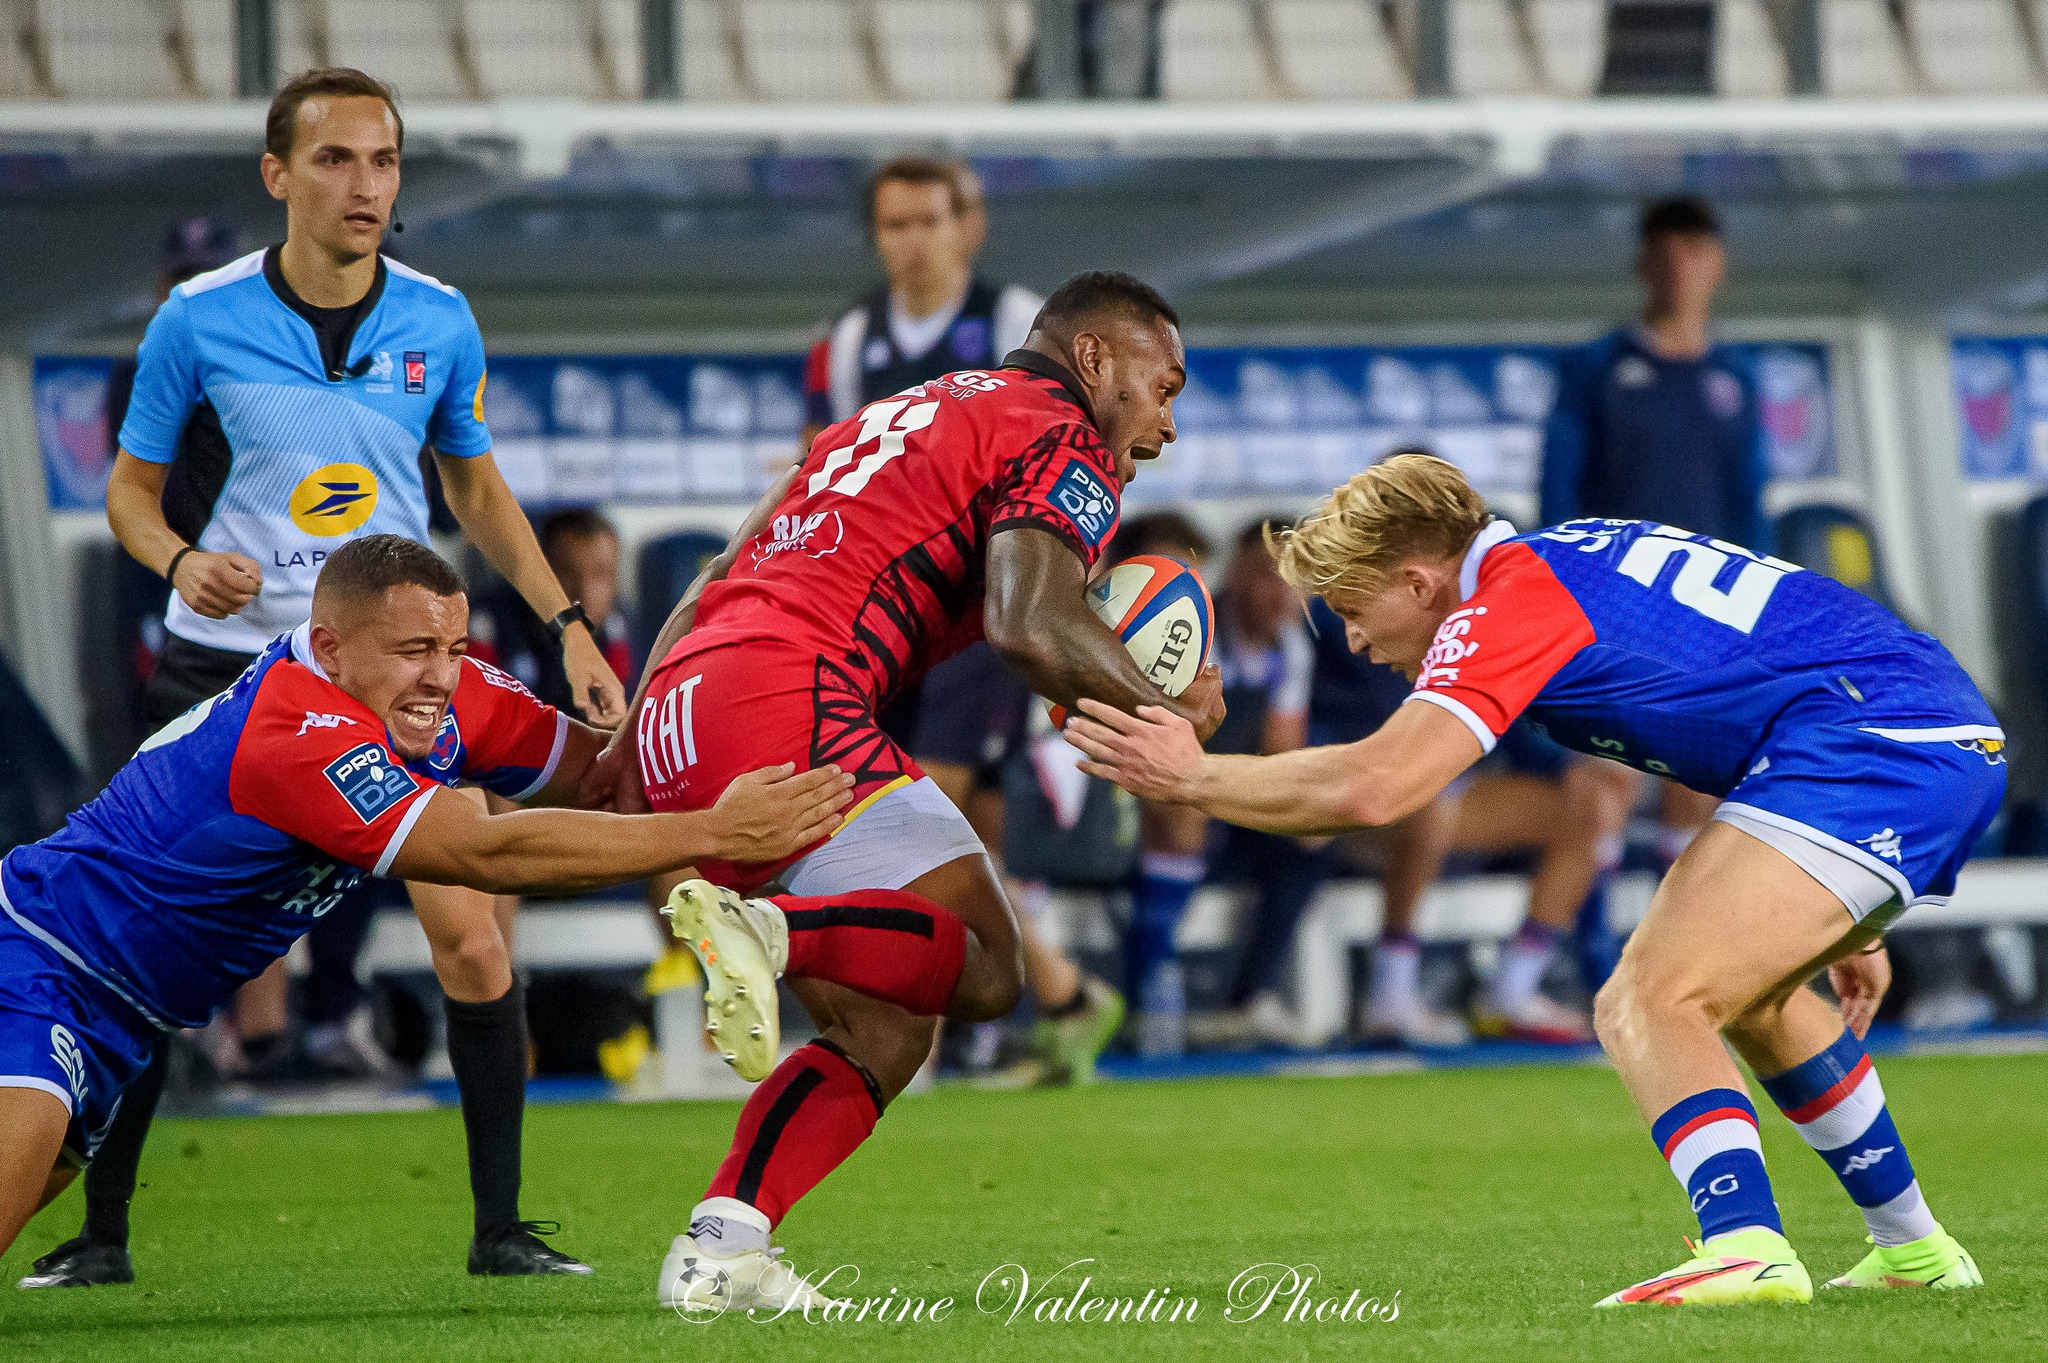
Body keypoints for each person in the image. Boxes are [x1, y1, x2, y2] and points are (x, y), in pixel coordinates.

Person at [1069, 453, 1997, 1306]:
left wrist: (1190, 776)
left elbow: (1376, 784)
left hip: (1873, 745)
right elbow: (1749, 672)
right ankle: (1915, 1250)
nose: (1354, 641)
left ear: (1418, 581)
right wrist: (1853, 918)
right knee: (1753, 997)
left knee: (1650, 995)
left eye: (1356, 610)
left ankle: (1744, 1245)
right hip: (1902, 735)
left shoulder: (1511, 601)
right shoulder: (1567, 558)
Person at [52, 66, 629, 1288]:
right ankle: (100, 1234)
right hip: (231, 669)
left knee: (472, 940)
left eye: (383, 162)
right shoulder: (197, 319)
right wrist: (177, 555)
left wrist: (567, 620)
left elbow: (473, 484)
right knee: (146, 954)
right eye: (334, 160)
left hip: (393, 674)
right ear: (278, 176)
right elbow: (128, 490)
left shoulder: (439, 318)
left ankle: (499, 1232)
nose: (363, 185)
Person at [589, 271, 1224, 1313]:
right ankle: (774, 929)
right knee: (985, 966)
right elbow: (1029, 622)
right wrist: (1171, 722)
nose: (1162, 428)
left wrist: (635, 732)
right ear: (1095, 358)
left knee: (887, 1025)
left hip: (688, 701)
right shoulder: (1060, 430)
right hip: (790, 695)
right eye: (1164, 387)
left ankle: (722, 1243)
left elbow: (722, 563)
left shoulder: (899, 411)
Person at [0, 537, 848, 1269]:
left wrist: (732, 706)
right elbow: (487, 850)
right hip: (36, 963)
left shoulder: (447, 694)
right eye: (414, 650)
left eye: (452, 644)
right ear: (329, 648)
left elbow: (604, 778)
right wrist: (718, 830)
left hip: (125, 1019)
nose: (441, 675)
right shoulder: (295, 729)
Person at [1542, 193, 1769, 872]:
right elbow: (1559, 491)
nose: (1679, 270)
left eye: (1693, 254)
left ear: (1717, 265)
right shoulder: (1596, 369)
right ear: (1644, 264)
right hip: (1612, 602)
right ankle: (1581, 955)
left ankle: (1679, 945)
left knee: (1695, 777)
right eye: (1665, 255)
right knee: (1606, 776)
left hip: (1705, 605)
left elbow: (1749, 502)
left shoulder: (1736, 379)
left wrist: (1758, 607)